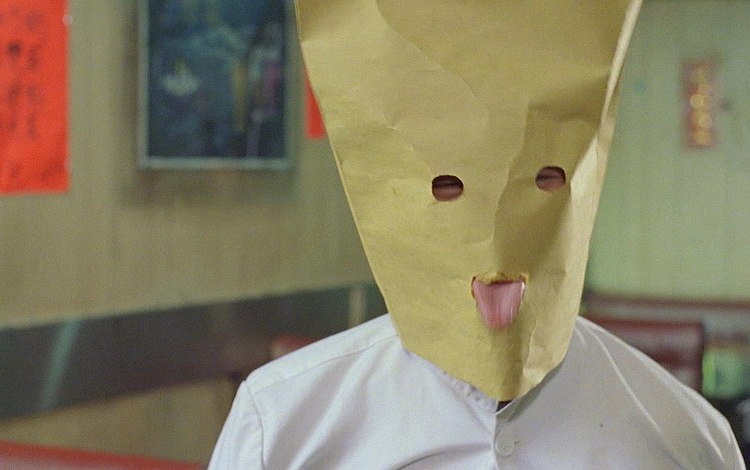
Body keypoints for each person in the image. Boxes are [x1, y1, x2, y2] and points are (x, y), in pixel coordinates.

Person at [209, 0, 746, 468]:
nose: (495, 244)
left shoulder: (680, 438)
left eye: (545, 179)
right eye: (446, 185)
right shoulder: (281, 424)